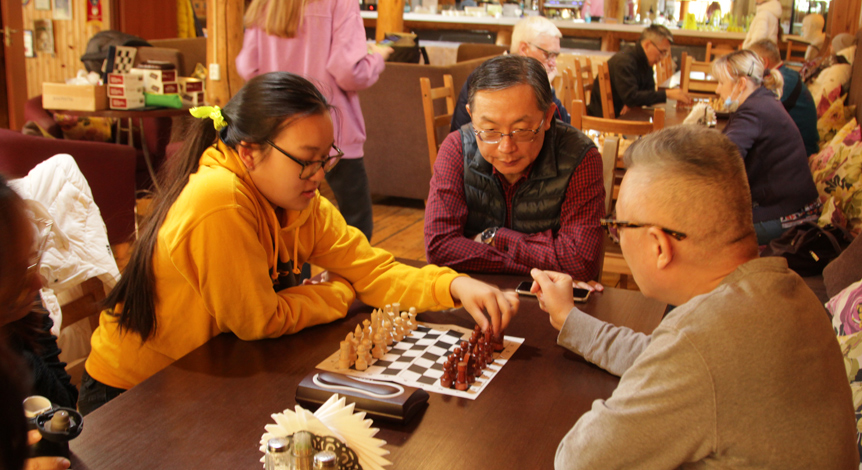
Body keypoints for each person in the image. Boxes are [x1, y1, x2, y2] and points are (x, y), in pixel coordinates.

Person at [78, 72, 519, 415]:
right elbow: (258, 321)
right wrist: (338, 293)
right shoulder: (219, 200)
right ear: (249, 152)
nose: (320, 175)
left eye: (325, 158)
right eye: (306, 161)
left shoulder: (298, 200)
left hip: (215, 369)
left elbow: (373, 270)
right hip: (135, 391)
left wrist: (456, 287)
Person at [530, 126, 858, 469]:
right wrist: (570, 318)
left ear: (659, 246)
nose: (616, 236)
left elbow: (577, 461)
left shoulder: (701, 344)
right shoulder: (784, 289)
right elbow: (662, 359)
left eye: (617, 226)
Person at [425, 55, 604, 280]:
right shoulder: (456, 148)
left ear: (547, 116)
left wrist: (495, 237)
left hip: (553, 304)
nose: (506, 147)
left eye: (522, 131)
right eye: (489, 130)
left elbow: (579, 262)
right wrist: (539, 266)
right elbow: (439, 248)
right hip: (475, 297)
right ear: (471, 116)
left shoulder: (580, 157)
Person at [235, 0, 394, 241]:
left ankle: (297, 278)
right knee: (356, 224)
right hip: (333, 131)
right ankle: (349, 280)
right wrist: (378, 57)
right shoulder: (340, 3)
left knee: (290, 224)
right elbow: (349, 71)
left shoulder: (265, 3)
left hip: (278, 131)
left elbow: (249, 67)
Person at [712, 50, 820, 244]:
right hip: (793, 207)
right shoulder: (762, 101)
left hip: (789, 217)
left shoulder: (753, 111)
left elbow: (722, 159)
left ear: (741, 84)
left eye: (720, 82)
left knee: (704, 232)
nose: (717, 90)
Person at [0, 175, 71, 470]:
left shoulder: (26, 304)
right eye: (18, 271)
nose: (38, 280)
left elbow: (64, 402)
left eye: (32, 259)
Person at [450, 16, 570, 132]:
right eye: (548, 55)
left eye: (556, 56)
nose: (553, 64)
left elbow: (565, 129)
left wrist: (546, 87)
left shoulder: (528, 78)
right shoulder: (491, 79)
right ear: (523, 49)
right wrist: (545, 88)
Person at [587, 24, 691, 118]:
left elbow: (647, 92)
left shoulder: (645, 62)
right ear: (647, 45)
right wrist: (667, 94)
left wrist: (634, 102)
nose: (662, 57)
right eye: (661, 52)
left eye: (665, 54)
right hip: (610, 118)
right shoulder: (625, 61)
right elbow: (631, 97)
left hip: (626, 114)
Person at [748, 39, 820, 156]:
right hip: (797, 147)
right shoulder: (787, 74)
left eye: (750, 63)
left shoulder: (781, 81)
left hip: (801, 153)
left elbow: (760, 115)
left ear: (764, 62)